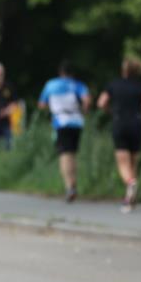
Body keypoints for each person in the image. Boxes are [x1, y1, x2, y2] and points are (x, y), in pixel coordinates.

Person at [97, 57, 141, 212]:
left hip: (120, 122)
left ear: (124, 70)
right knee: (133, 162)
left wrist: (110, 111)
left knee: (122, 162)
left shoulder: (114, 85)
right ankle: (130, 199)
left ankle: (130, 183)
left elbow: (101, 102)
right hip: (137, 123)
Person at [38, 60, 91, 201]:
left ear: (60, 72)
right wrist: (84, 112)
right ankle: (73, 183)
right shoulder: (78, 85)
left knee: (64, 154)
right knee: (72, 153)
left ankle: (69, 187)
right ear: (72, 73)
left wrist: (51, 111)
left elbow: (41, 104)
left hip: (61, 121)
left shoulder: (51, 84)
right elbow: (87, 101)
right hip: (77, 121)